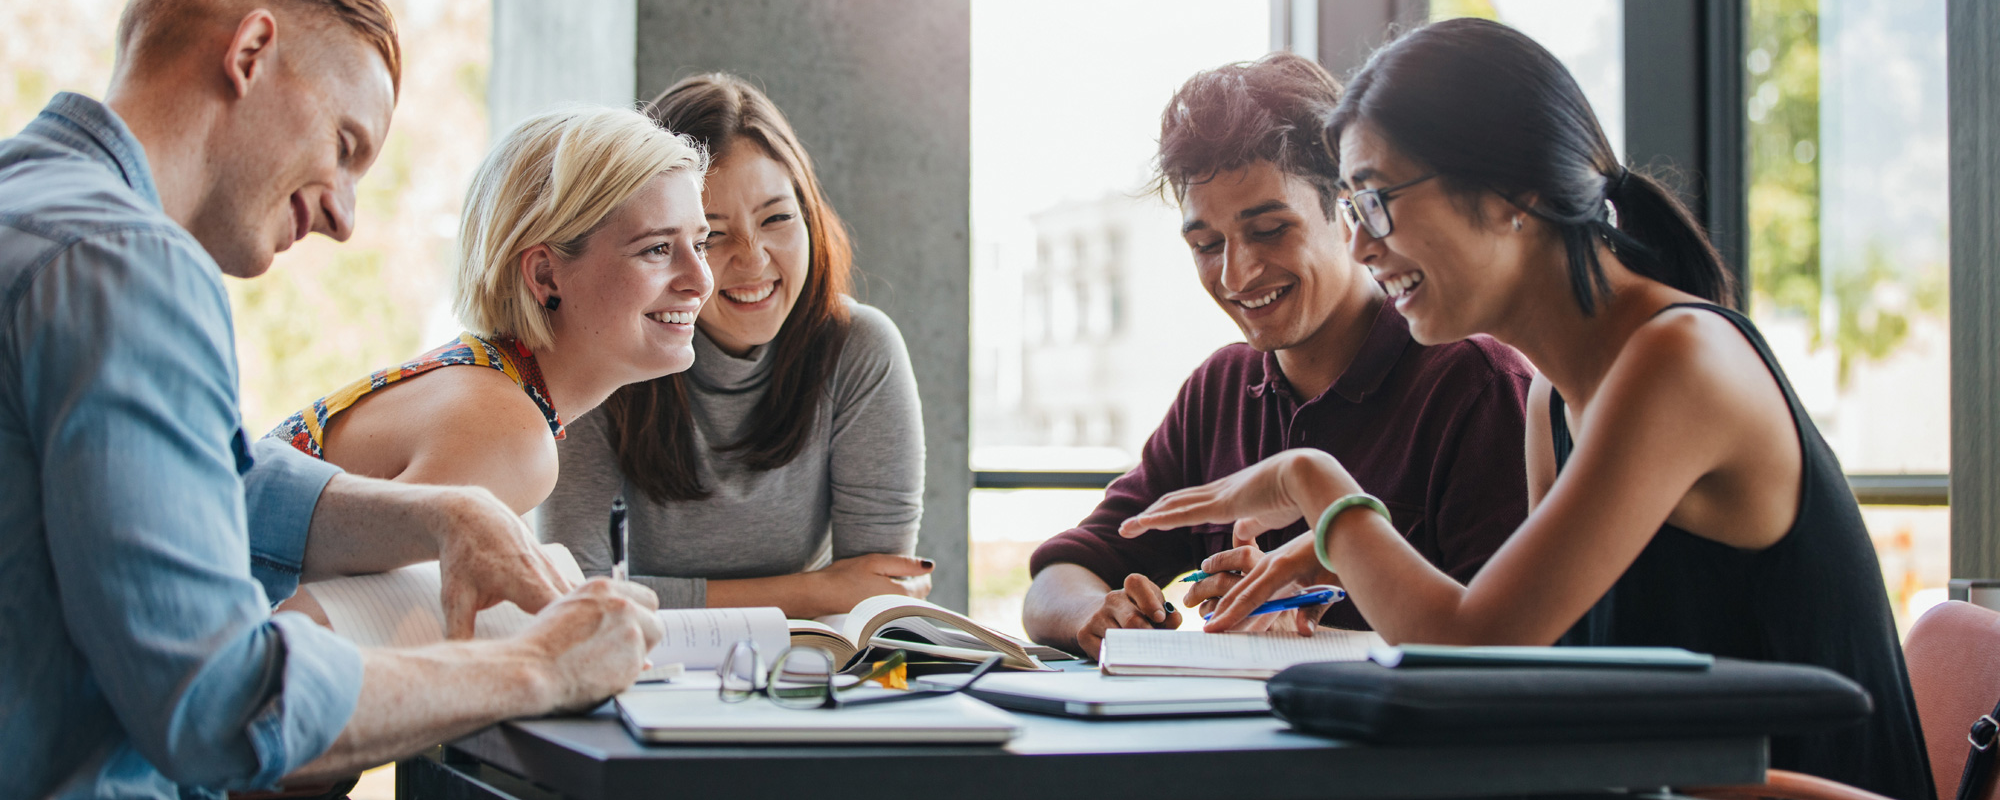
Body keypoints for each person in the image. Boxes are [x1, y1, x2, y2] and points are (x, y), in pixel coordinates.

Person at [1126, 19, 1932, 800]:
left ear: (1516, 192)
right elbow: (1530, 668)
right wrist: (1341, 553)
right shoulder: (1557, 390)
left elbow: (1472, 645)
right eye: (1352, 208)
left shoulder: (1677, 361)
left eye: (1376, 201)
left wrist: (1317, 488)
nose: (1363, 246)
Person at [0, 2, 666, 797]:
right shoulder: (128, 264)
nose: (345, 218)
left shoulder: (31, 205)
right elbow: (225, 706)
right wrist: (538, 665)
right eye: (344, 146)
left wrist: (445, 515)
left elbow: (197, 481)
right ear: (250, 51)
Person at [1020, 52, 1535, 659]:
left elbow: (1504, 648)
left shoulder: (1474, 384)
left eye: (1268, 231)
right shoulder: (1220, 390)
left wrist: (1314, 602)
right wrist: (1095, 614)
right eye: (1207, 245)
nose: (1236, 273)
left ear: (1348, 212)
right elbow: (1060, 576)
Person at [541, 73, 931, 619]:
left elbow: (874, 593)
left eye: (777, 218)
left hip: (808, 671)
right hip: (643, 672)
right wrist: (813, 591)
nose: (752, 260)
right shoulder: (603, 350)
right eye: (711, 235)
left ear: (810, 216)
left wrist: (836, 594)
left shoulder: (859, 349)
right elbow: (576, 594)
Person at [266, 105, 715, 518]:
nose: (701, 280)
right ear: (545, 275)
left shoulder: (488, 384)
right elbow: (314, 603)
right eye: (657, 249)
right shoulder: (508, 436)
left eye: (700, 245)